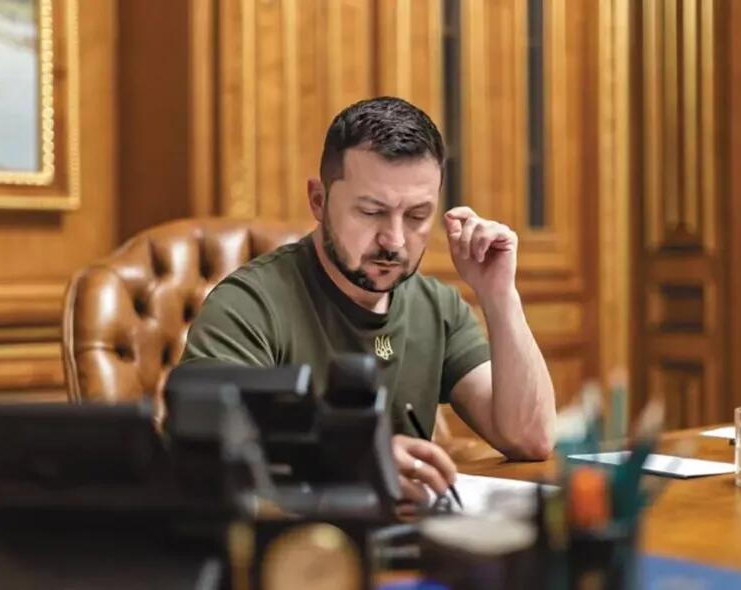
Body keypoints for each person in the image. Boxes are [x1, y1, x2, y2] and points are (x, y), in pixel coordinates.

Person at [181, 96, 556, 506]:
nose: (394, 240)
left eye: (416, 216)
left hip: (409, 534)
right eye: (371, 211)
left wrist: (499, 295)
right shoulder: (248, 305)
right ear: (319, 201)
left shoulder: (437, 307)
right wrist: (353, 460)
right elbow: (206, 445)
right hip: (299, 541)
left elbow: (530, 438)